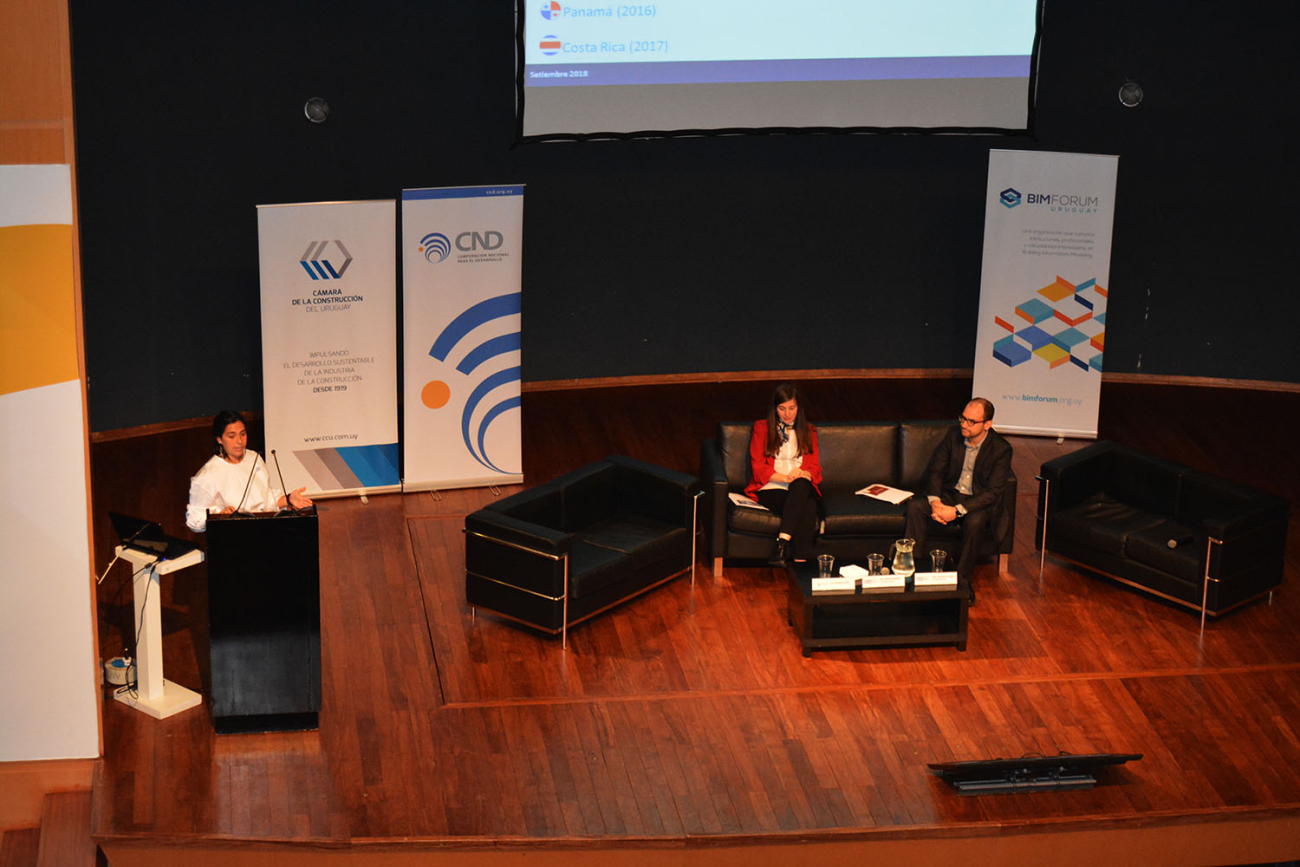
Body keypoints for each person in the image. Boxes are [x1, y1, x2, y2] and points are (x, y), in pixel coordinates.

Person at [904, 397, 1012, 590]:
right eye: (963, 418)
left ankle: (962, 581)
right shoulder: (954, 435)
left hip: (978, 501)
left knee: (975, 522)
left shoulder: (1001, 449)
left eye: (971, 421)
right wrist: (936, 503)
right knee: (916, 507)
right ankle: (914, 572)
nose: (964, 425)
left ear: (987, 424)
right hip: (951, 494)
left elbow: (992, 493)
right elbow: (936, 471)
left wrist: (956, 511)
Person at [185, 410, 313, 532]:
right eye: (231, 436)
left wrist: (288, 499)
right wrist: (219, 516)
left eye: (243, 434)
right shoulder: (208, 475)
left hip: (265, 531)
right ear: (219, 439)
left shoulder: (254, 458)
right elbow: (194, 520)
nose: (239, 441)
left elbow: (266, 499)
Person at [744, 383, 823, 567]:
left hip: (800, 485)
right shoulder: (762, 428)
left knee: (801, 485)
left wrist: (804, 473)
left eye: (792, 408)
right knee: (809, 505)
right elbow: (758, 468)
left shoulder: (809, 431)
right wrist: (785, 478)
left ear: (799, 408)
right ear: (775, 409)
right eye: (782, 409)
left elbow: (815, 468)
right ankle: (800, 565)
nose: (787, 414)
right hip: (772, 487)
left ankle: (782, 545)